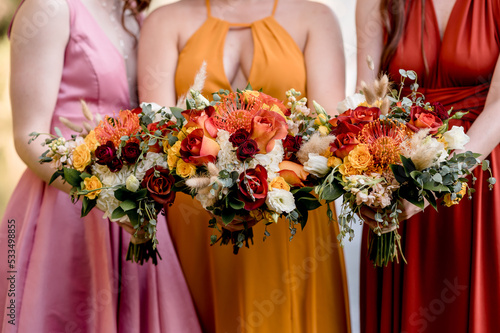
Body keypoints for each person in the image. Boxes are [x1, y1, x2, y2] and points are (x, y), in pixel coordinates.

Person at [138, 0, 351, 331]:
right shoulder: (164, 22)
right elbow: (160, 133)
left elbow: (327, 130)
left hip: (290, 212)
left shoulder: (316, 17)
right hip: (198, 216)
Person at [0, 0, 201, 331]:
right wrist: (103, 196)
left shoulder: (135, 16)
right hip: (66, 206)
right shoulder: (50, 8)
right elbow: (28, 135)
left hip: (135, 203)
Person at [356, 0, 500, 331]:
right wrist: (369, 182)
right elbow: (367, 101)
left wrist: (431, 185)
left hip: (481, 175)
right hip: (399, 175)